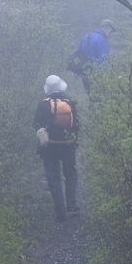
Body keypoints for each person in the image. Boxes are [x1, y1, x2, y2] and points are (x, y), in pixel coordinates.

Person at [34, 75, 79, 222]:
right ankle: (72, 205)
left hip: (50, 147)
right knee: (70, 174)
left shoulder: (43, 104)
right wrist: (74, 141)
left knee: (53, 177)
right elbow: (77, 124)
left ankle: (60, 212)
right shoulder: (69, 102)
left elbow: (36, 124)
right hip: (68, 144)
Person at [68, 19, 116, 92]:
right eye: (110, 31)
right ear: (105, 27)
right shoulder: (103, 41)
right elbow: (104, 61)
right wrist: (106, 77)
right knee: (99, 96)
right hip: (96, 75)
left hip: (84, 72)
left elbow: (78, 53)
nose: (110, 34)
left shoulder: (86, 36)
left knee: (90, 94)